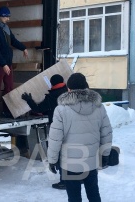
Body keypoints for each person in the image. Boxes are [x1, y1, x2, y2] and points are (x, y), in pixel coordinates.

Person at [47, 73, 112, 202]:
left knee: (74, 197)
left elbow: (55, 139)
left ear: (69, 89)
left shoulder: (61, 110)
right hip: (91, 162)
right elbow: (106, 133)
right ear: (86, 87)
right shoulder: (99, 107)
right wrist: (105, 155)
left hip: (69, 164)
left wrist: (52, 160)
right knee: (94, 194)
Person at [21, 74, 68, 190]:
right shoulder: (69, 93)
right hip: (71, 128)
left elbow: (38, 109)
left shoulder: (52, 97)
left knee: (60, 154)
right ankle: (75, 177)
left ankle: (64, 182)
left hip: (58, 129)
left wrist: (29, 100)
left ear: (52, 84)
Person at [0, 6, 28, 119]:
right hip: (0, 64)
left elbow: (13, 41)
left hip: (8, 63)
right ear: (1, 16)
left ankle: (7, 110)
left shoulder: (6, 28)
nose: (8, 19)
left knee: (9, 87)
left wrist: (23, 48)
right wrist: (3, 64)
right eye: (7, 17)